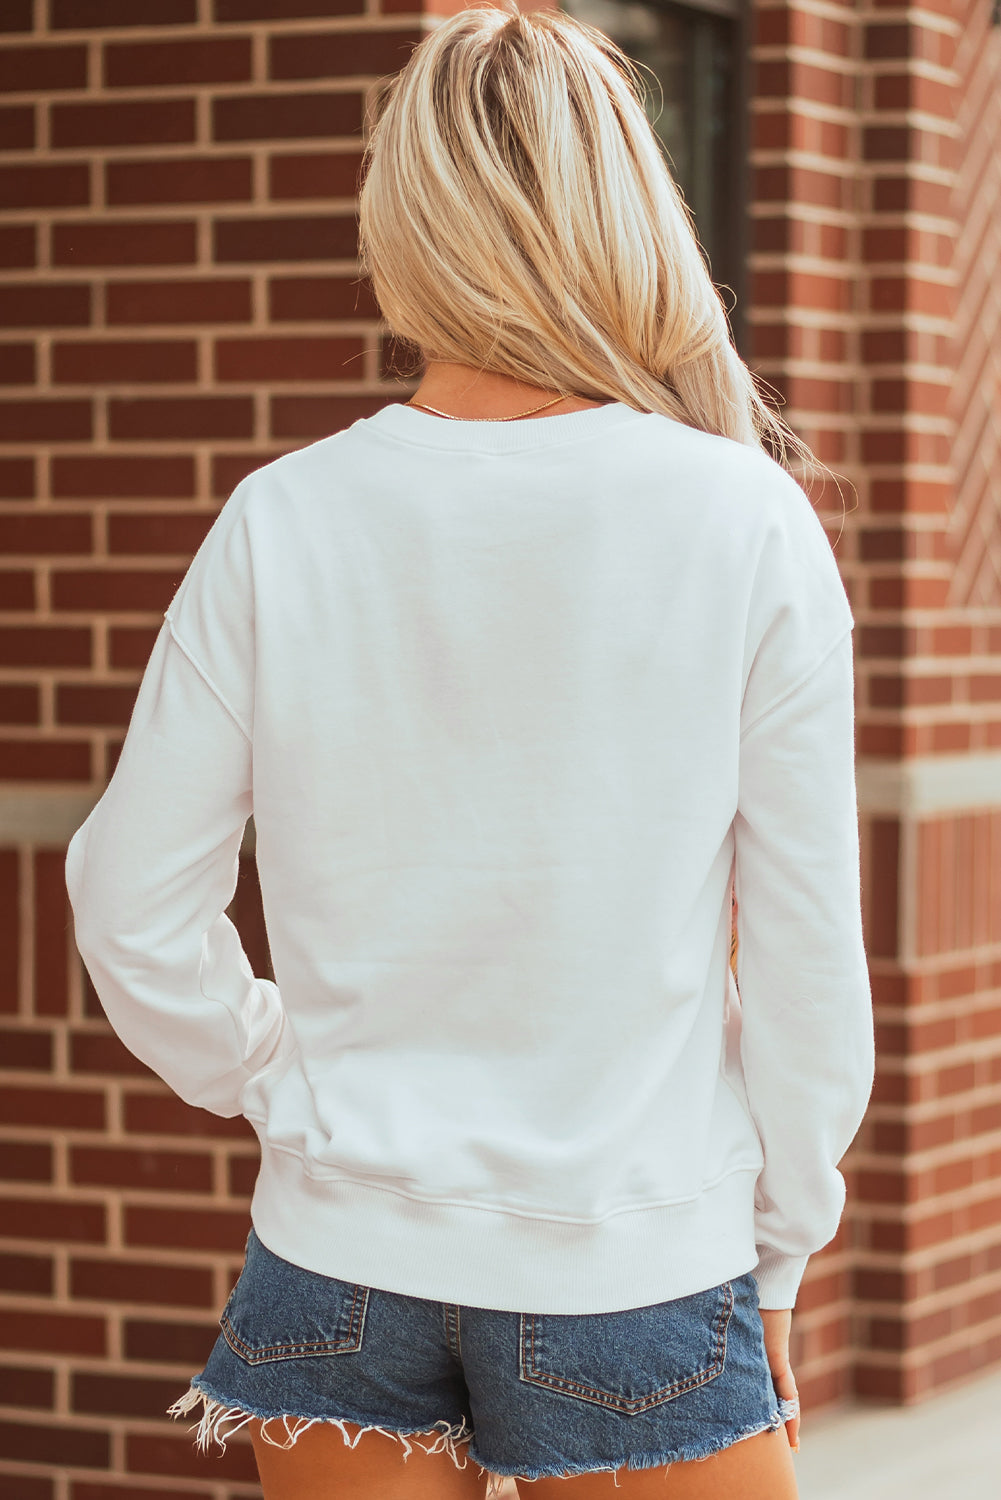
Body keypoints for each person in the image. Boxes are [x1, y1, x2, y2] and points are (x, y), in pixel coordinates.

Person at [65, 6, 875, 1498]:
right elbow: (811, 963)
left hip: (334, 1259)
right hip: (635, 1258)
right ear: (629, 212)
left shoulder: (282, 517)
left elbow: (125, 899)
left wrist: (274, 1083)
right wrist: (782, 1253)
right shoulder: (741, 518)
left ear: (404, 220)